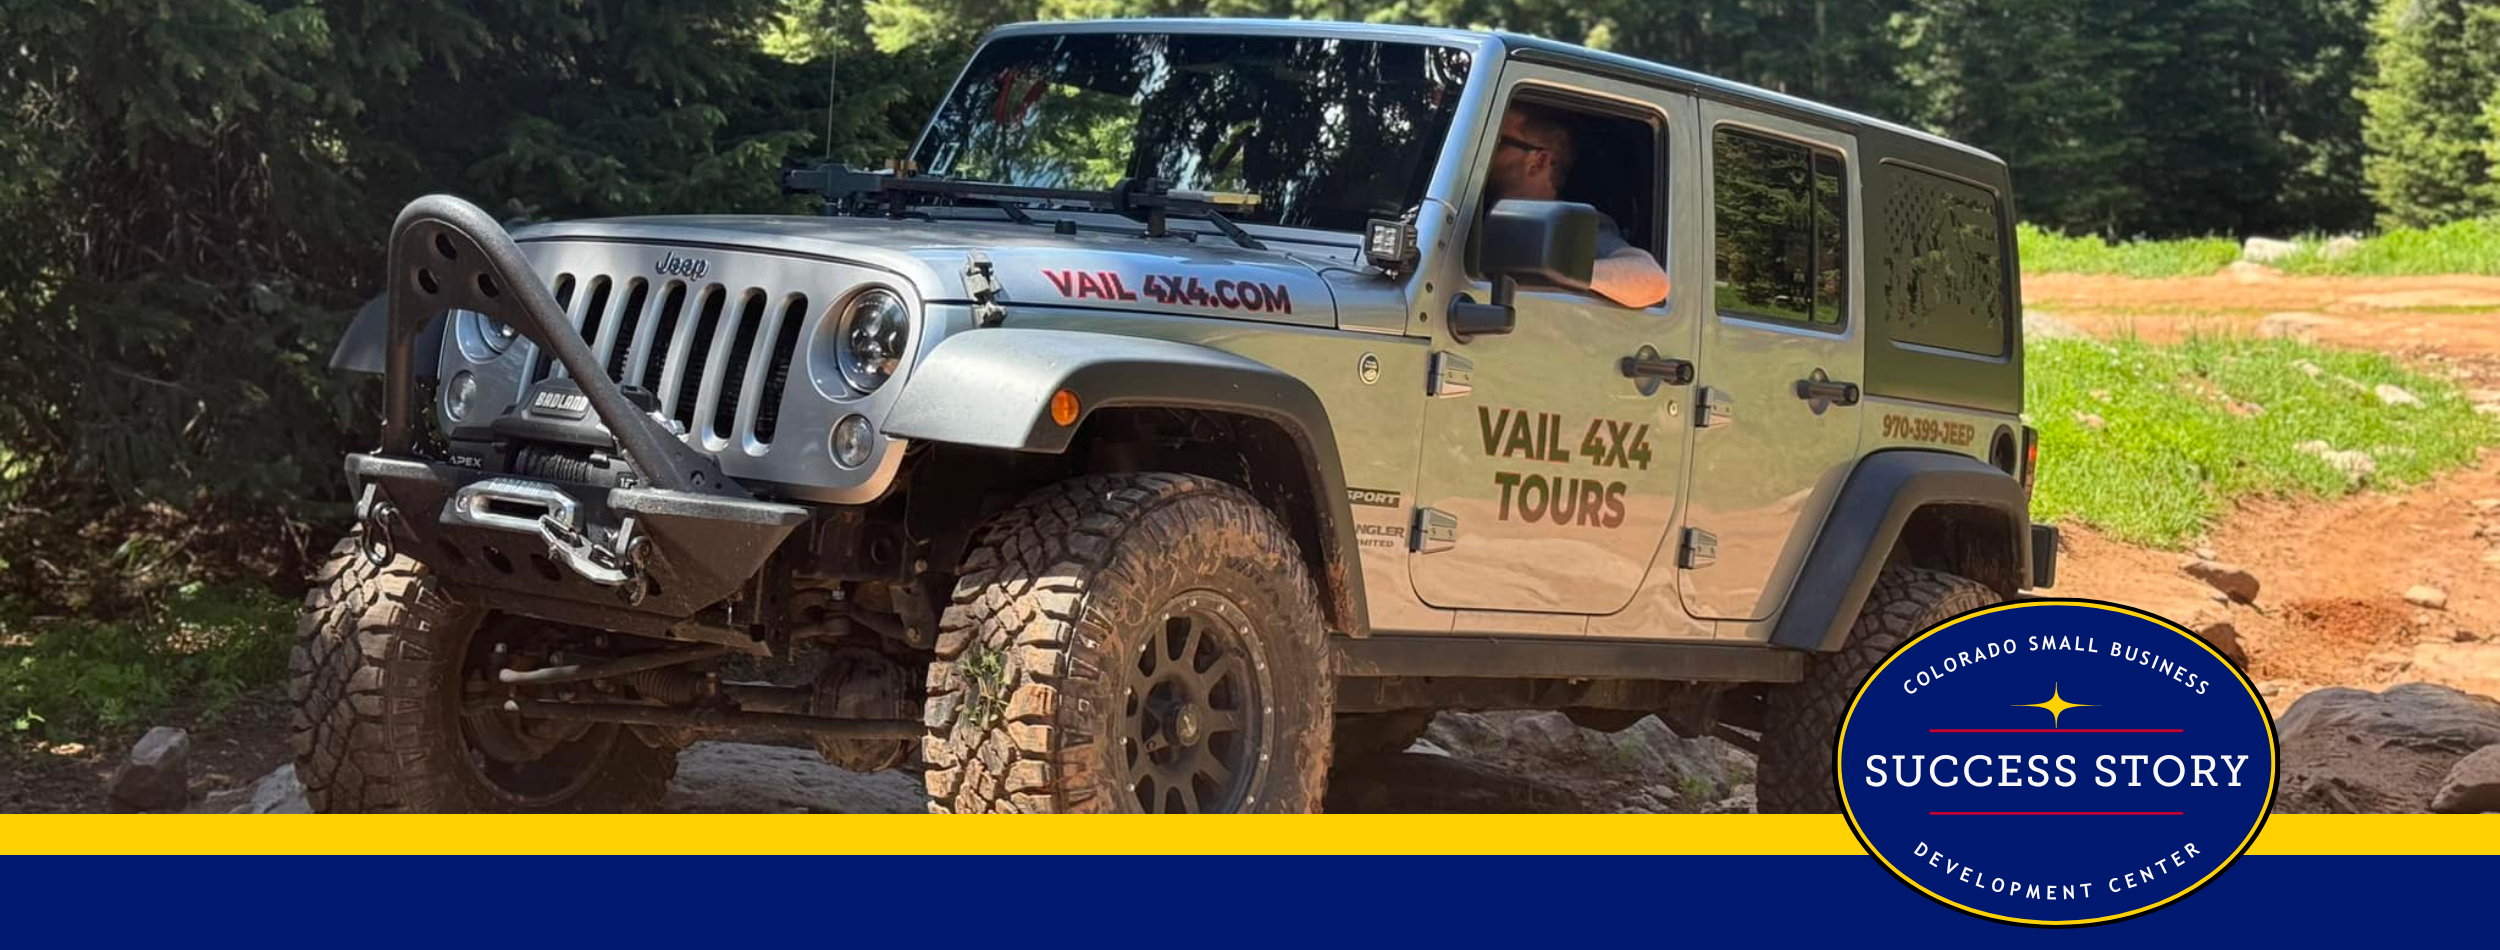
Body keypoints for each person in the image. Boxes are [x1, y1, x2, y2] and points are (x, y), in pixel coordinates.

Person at [1484, 103, 1671, 309]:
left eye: (1498, 142)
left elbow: (1653, 281)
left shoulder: (1571, 228)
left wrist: (1560, 270)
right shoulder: (1469, 205)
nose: (1483, 147)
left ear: (1538, 162)